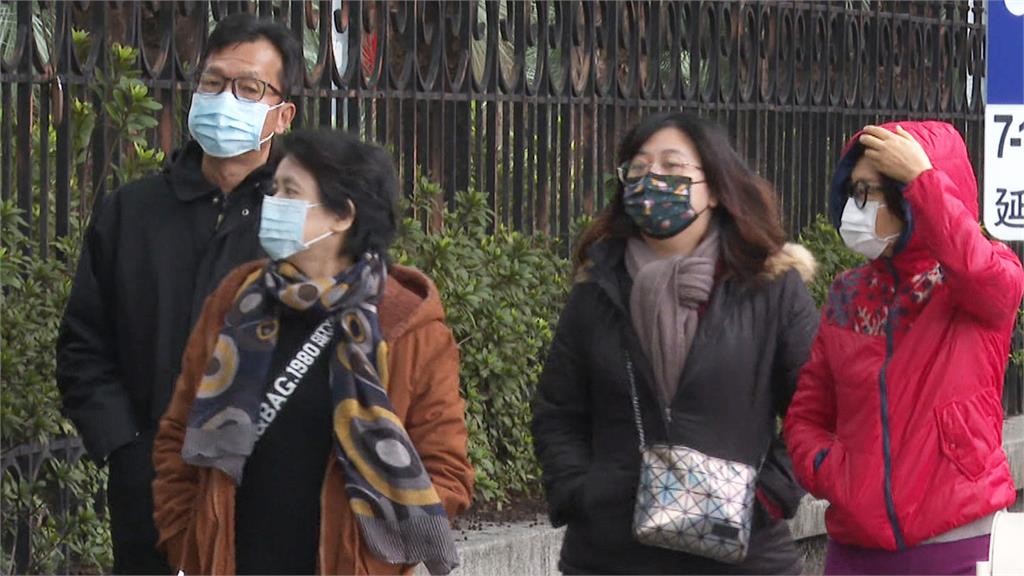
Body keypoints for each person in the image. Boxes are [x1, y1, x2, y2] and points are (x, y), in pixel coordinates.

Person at [151, 129, 474, 576]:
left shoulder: (406, 326)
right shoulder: (235, 301)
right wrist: (187, 539)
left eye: (290, 192)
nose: (272, 202)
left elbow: (446, 470)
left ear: (342, 216)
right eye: (273, 188)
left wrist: (370, 561)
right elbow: (177, 436)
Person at [56, 13, 302, 574]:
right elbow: (83, 346)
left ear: (281, 113)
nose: (225, 100)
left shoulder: (304, 222)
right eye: (213, 83)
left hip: (272, 499)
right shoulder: (134, 212)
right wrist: (127, 448)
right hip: (151, 495)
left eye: (248, 88)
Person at [531, 111, 818, 574]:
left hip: (744, 552)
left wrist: (766, 496)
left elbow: (818, 407)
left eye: (672, 168)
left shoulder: (771, 286)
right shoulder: (597, 287)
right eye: (639, 170)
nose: (652, 182)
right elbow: (558, 411)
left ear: (717, 188)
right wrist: (581, 491)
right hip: (610, 555)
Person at [783, 121, 1023, 575]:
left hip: (959, 545)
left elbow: (982, 274)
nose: (860, 207)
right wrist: (836, 472)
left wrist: (924, 180)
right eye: (855, 191)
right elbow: (807, 416)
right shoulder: (847, 292)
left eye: (874, 191)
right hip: (855, 549)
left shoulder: (975, 283)